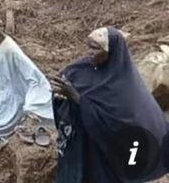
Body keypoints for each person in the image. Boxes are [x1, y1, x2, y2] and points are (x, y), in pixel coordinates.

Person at [52, 27, 169, 183]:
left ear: (111, 52)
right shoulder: (81, 67)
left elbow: (118, 126)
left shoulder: (124, 85)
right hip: (82, 143)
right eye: (88, 46)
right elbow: (63, 82)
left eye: (95, 48)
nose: (89, 52)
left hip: (106, 153)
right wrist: (60, 94)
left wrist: (76, 97)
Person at [0, 3, 53, 155]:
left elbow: (33, 76)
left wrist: (31, 103)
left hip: (6, 103)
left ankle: (1, 137)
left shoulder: (9, 49)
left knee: (1, 120)